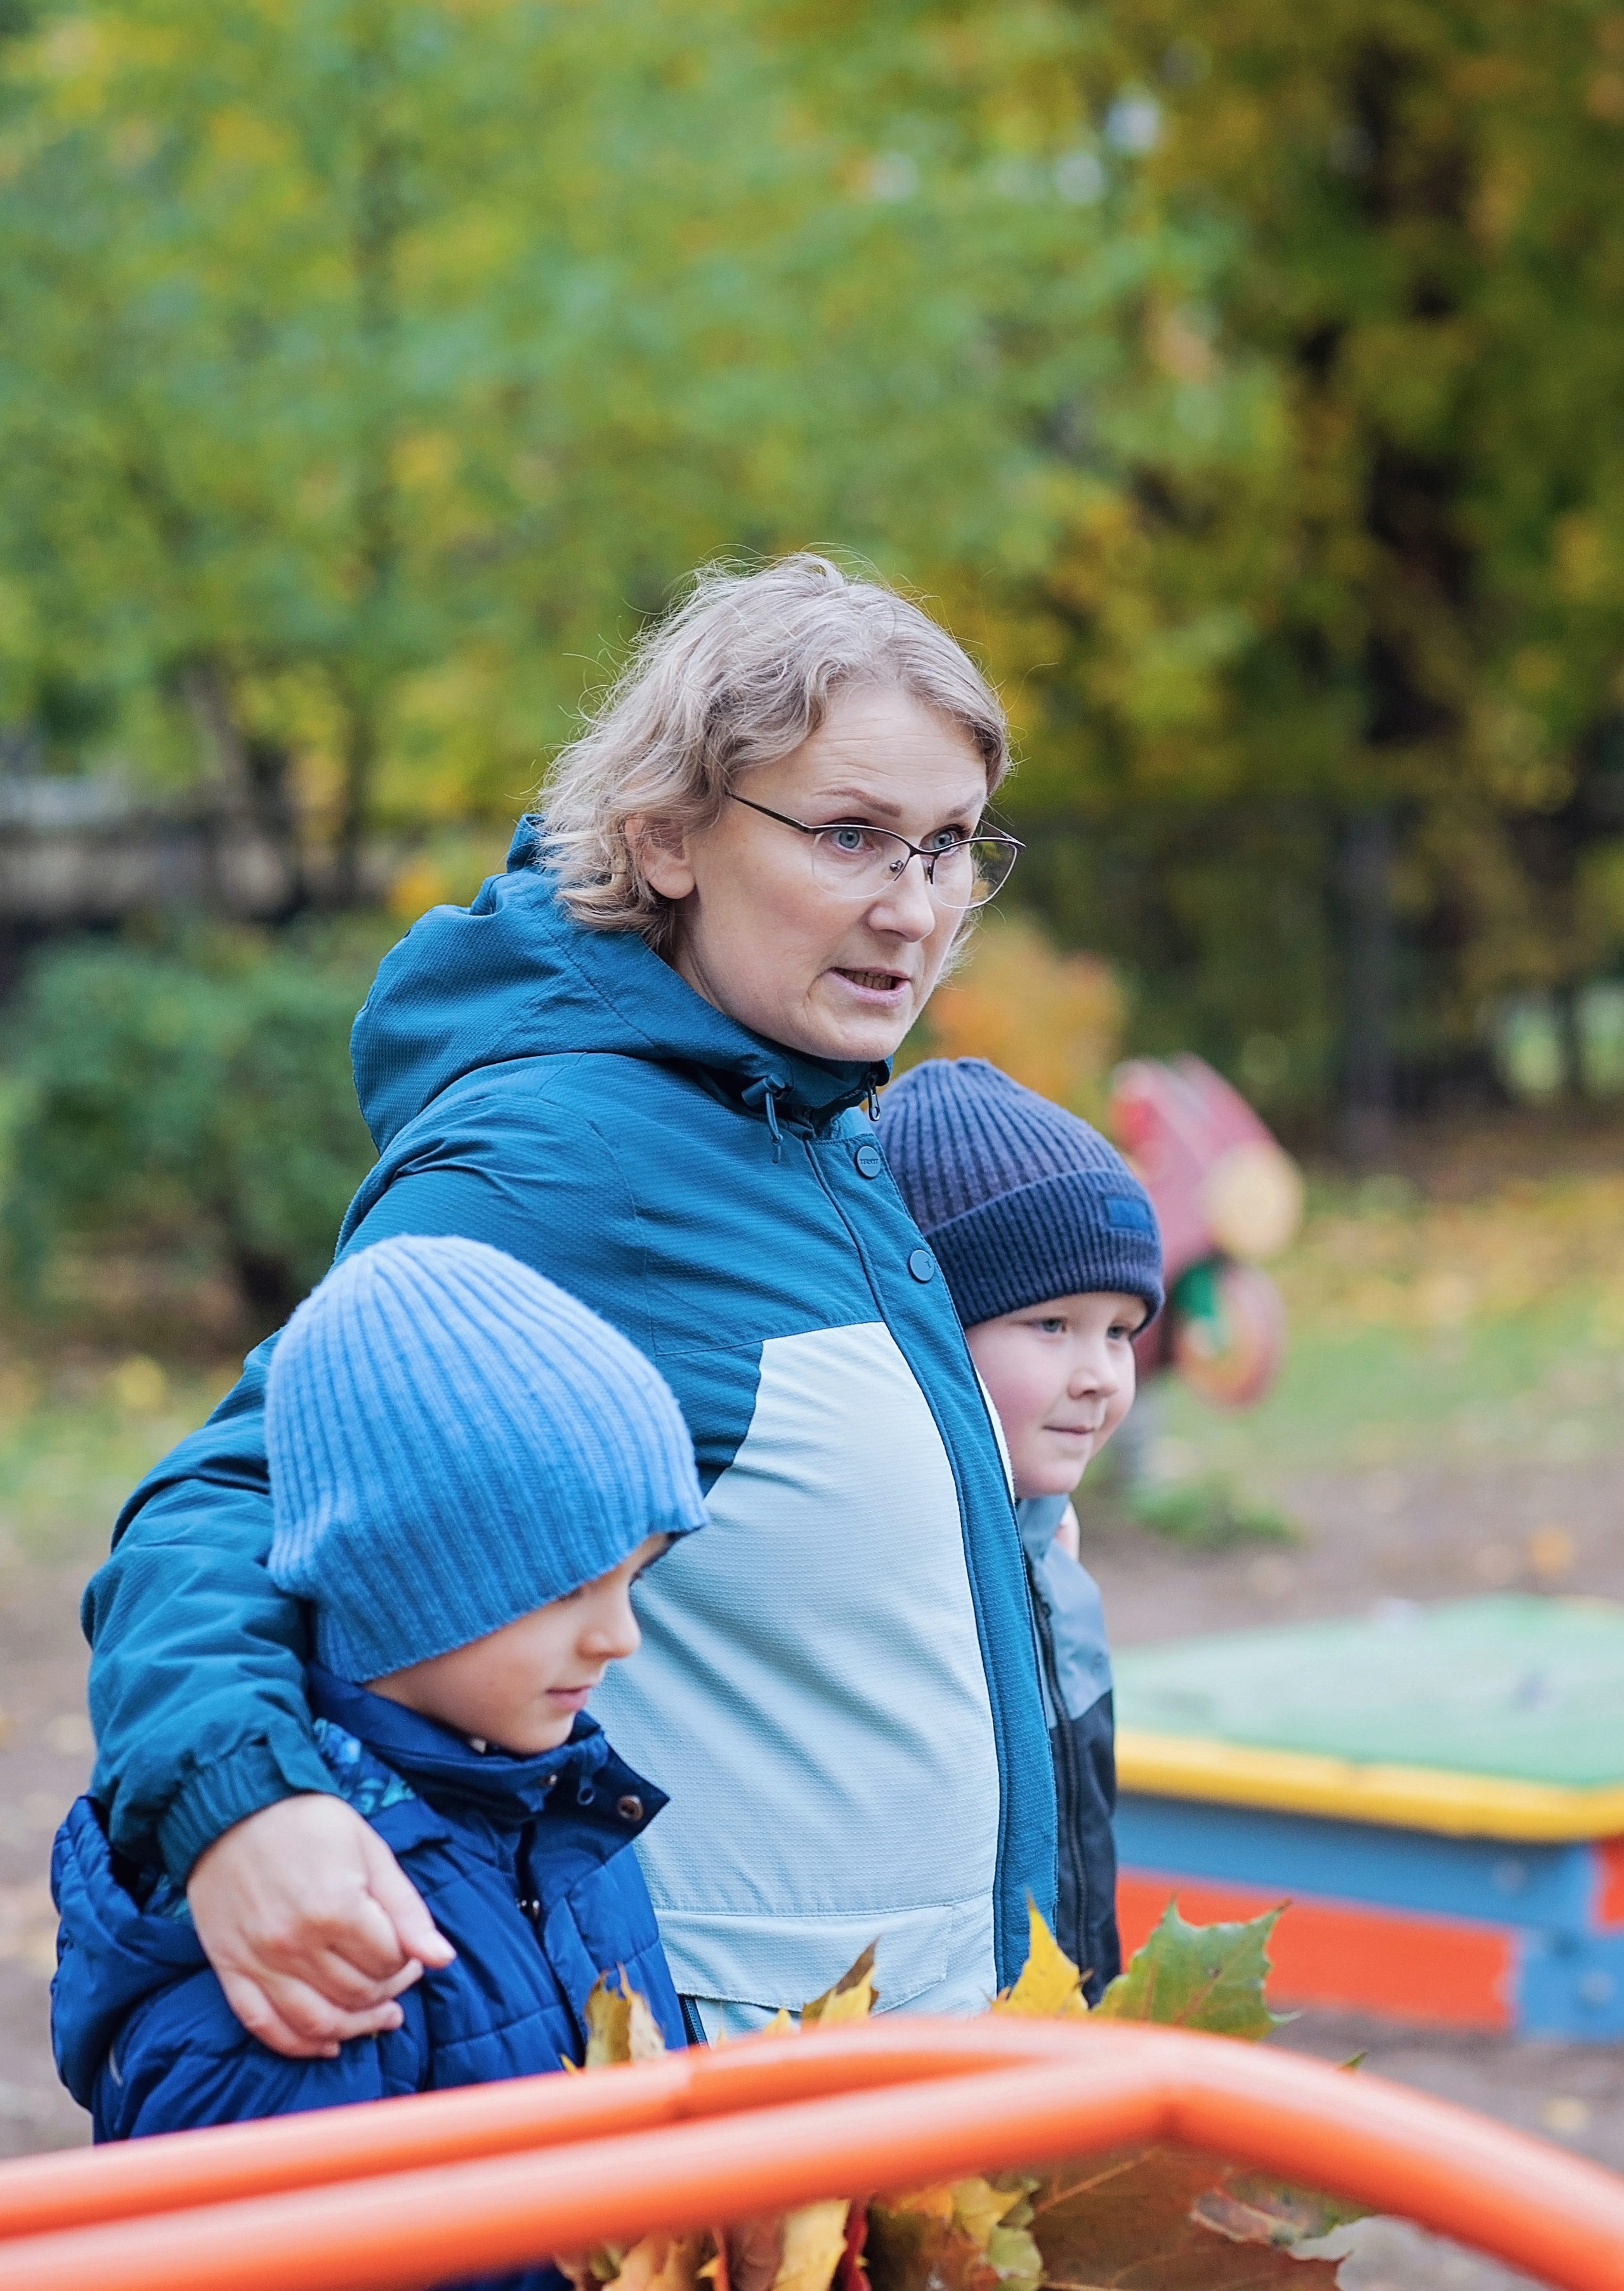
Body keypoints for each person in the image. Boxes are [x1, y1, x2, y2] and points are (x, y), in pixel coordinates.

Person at [81, 555, 1058, 2053]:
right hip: (741, 2112)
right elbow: (235, 1496)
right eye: (850, 835)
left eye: (945, 846)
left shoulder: (802, 1116)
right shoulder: (571, 1158)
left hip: (925, 2071)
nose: (912, 907)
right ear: (664, 837)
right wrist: (240, 1806)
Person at [53, 1235, 705, 2291]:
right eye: (570, 1589)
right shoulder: (314, 1938)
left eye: (637, 1579)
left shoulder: (558, 1814)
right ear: (409, 1581)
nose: (620, 1636)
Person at [874, 1058, 1163, 1997]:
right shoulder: (891, 1576)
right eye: (1052, 1326)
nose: (1100, 1376)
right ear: (930, 1333)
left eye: (1119, 1332)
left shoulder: (1056, 1566)